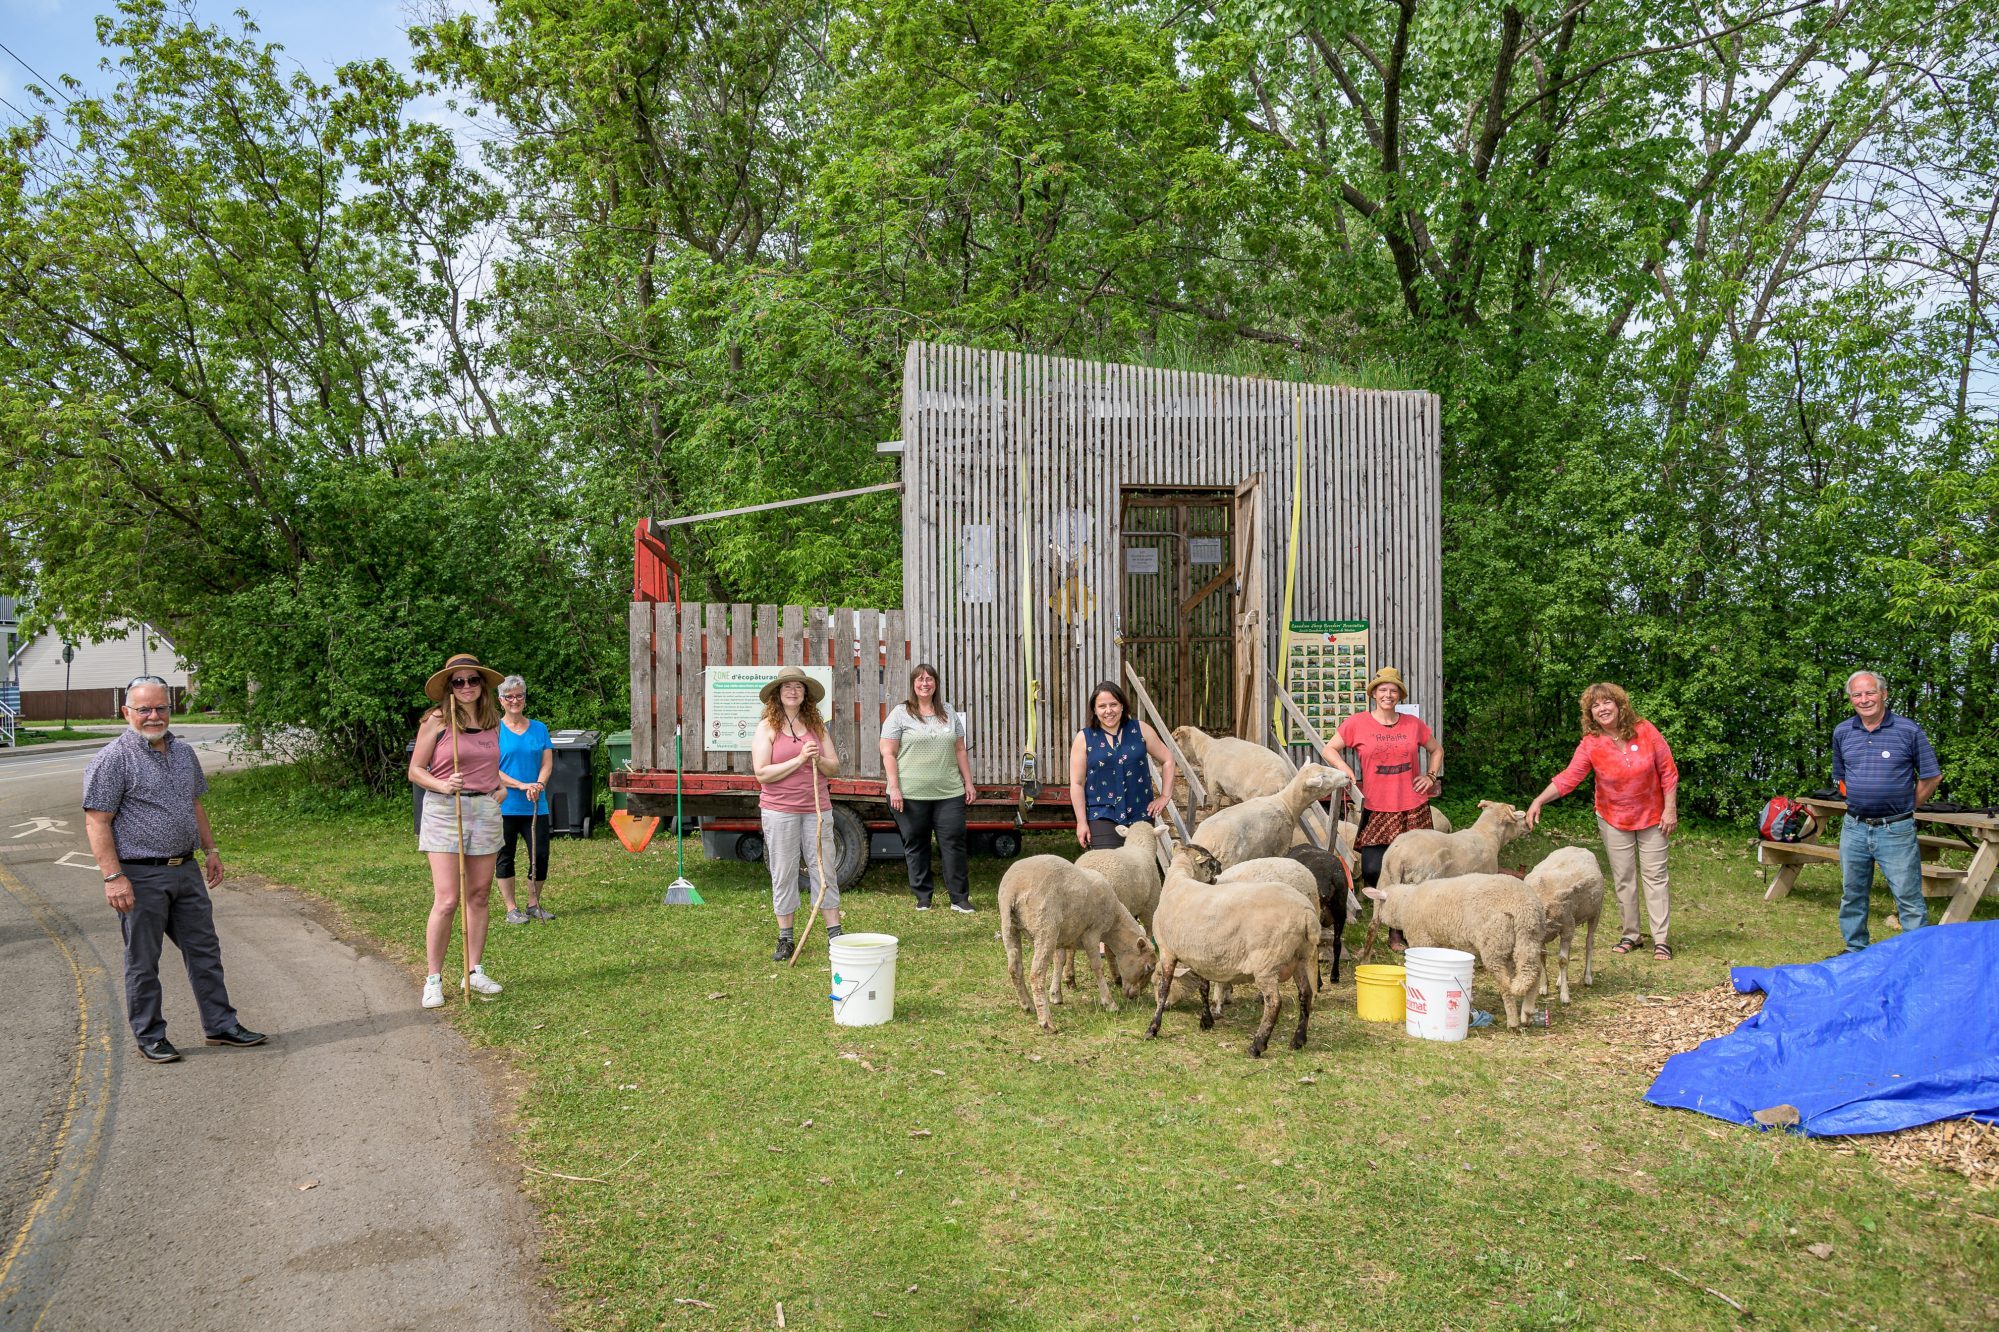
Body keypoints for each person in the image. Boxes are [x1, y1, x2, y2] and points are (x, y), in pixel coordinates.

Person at [82, 675, 265, 1063]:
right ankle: (150, 1035)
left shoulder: (183, 754)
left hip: (186, 870)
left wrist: (210, 848)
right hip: (140, 875)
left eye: (160, 707)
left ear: (170, 709)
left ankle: (221, 1025)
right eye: (144, 709)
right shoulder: (113, 759)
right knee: (143, 961)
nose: (153, 716)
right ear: (126, 712)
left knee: (205, 951)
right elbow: (97, 821)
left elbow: (194, 804)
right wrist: (113, 878)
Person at [1525, 683, 1680, 960]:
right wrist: (1538, 800)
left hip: (1653, 816)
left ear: (1620, 705)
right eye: (1595, 706)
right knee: (1624, 878)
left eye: (1607, 702)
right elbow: (1568, 779)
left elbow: (1668, 771)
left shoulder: (1645, 730)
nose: (1602, 708)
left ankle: (1661, 939)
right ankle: (1631, 935)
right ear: (1591, 714)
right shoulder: (1591, 744)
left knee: (1655, 877)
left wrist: (1670, 809)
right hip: (1613, 818)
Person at [407, 653, 507, 1008]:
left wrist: (500, 787)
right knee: (448, 899)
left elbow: (493, 767)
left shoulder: (494, 722)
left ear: (483, 685)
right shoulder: (436, 720)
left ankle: (474, 971)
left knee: (479, 895)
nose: (466, 687)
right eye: (458, 681)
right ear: (449, 687)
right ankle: (433, 978)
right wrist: (442, 783)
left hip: (484, 810)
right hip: (444, 809)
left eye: (472, 680)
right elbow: (415, 770)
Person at [1319, 666, 1442, 950]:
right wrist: (1345, 769)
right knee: (1375, 869)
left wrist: (1431, 776)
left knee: (1415, 870)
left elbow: (1436, 750)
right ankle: (1389, 917)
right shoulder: (1357, 724)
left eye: (1393, 689)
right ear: (1374, 693)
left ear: (1399, 695)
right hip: (1378, 806)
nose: (1388, 694)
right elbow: (1330, 749)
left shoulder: (1413, 725)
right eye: (1382, 689)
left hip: (1413, 807)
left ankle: (1400, 930)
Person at [1830, 669, 1940, 953]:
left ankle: (1915, 956)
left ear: (1884, 694)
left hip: (1896, 830)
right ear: (1850, 698)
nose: (1864, 699)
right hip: (1854, 828)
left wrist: (1907, 806)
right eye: (1857, 694)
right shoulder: (1842, 732)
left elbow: (1931, 776)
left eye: (1870, 693)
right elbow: (1841, 778)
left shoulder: (1908, 730)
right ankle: (1855, 951)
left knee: (1908, 897)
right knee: (1852, 894)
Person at [752, 665, 843, 961]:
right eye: (787, 686)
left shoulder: (817, 727)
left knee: (824, 868)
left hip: (816, 810)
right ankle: (785, 938)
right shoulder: (766, 728)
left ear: (806, 695)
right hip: (779, 811)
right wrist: (800, 759)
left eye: (799, 687)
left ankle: (835, 935)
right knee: (784, 872)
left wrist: (818, 760)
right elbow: (762, 773)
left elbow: (833, 767)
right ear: (778, 694)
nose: (793, 691)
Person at [880, 663, 978, 913]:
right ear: (913, 684)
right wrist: (895, 788)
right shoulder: (901, 713)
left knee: (954, 842)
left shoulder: (948, 711)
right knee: (916, 844)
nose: (925, 684)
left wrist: (968, 782)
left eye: (929, 679)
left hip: (949, 792)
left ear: (936, 683)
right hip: (910, 793)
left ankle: (959, 899)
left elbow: (959, 749)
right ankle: (923, 897)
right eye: (920, 679)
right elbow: (888, 752)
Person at [1068, 680, 1174, 849]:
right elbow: (1077, 783)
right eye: (1102, 706)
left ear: (1122, 706)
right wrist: (1081, 822)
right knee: (1108, 870)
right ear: (1094, 710)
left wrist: (1165, 796)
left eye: (1113, 704)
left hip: (1141, 815)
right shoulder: (1084, 738)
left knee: (1142, 869)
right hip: (1102, 816)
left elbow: (1168, 759)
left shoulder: (1140, 729)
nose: (1108, 711)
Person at [493, 675, 555, 925]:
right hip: (505, 805)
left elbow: (547, 763)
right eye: (509, 697)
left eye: (519, 696)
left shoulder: (539, 728)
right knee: (504, 856)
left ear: (525, 699)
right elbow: (491, 769)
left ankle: (533, 904)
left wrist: (539, 784)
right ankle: (511, 908)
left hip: (536, 806)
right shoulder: (494, 730)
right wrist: (520, 784)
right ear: (501, 701)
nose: (514, 701)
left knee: (539, 856)